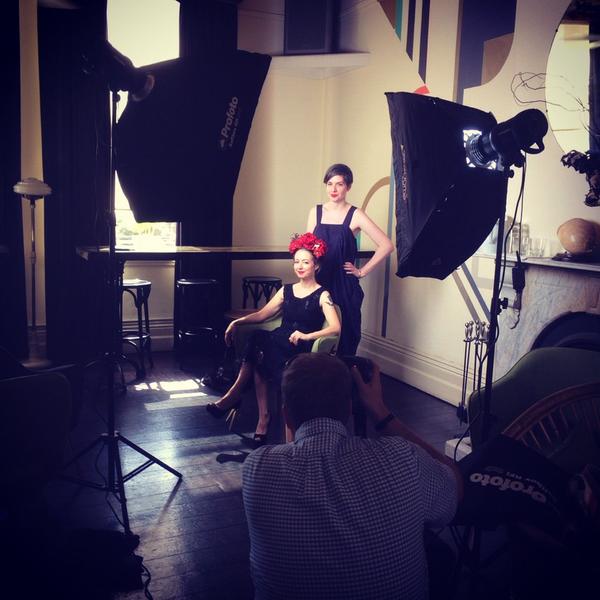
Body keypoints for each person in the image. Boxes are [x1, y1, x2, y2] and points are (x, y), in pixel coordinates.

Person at [243, 353, 462, 600]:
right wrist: (381, 413)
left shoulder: (257, 469)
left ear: (286, 416)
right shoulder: (404, 458)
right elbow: (455, 485)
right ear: (350, 408)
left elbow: (292, 453)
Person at [205, 233, 341, 445]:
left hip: (300, 346)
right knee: (258, 344)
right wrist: (237, 322)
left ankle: (240, 401)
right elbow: (262, 314)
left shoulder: (322, 294)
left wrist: (307, 335)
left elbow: (335, 327)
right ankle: (261, 415)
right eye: (296, 262)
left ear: (316, 265)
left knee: (259, 350)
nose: (300, 266)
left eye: (305, 262)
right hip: (278, 339)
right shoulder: (286, 290)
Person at [306, 163, 394, 356]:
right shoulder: (316, 212)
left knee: (346, 335)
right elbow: (308, 249)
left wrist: (361, 272)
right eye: (330, 184)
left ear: (348, 187)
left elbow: (387, 245)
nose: (333, 189)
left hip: (344, 285)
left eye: (339, 184)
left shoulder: (356, 214)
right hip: (318, 282)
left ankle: (343, 373)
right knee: (314, 332)